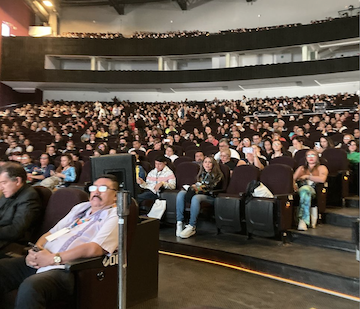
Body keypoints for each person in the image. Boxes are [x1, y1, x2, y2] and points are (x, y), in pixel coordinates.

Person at [0, 175, 119, 308]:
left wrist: (53, 259)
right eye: (93, 188)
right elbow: (50, 234)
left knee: (31, 286)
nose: (96, 192)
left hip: (67, 269)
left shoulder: (115, 214)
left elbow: (94, 248)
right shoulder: (80, 208)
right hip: (45, 259)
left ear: (115, 195)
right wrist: (36, 252)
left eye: (103, 188)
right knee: (3, 268)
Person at [176, 156, 223, 239]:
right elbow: (199, 185)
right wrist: (193, 187)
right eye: (205, 162)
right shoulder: (201, 174)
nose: (207, 164)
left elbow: (210, 188)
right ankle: (180, 222)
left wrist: (196, 188)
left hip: (211, 196)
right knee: (181, 194)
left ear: (213, 164)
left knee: (196, 198)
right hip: (199, 193)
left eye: (209, 162)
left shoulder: (218, 175)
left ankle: (192, 226)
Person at [0, 162, 42, 254]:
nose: (1, 188)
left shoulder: (29, 196)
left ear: (17, 181)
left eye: (4, 183)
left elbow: (16, 231)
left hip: (12, 243)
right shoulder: (9, 192)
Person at [293, 150, 328, 231]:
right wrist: (294, 186)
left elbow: (322, 179)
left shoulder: (321, 167)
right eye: (308, 155)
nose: (311, 157)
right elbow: (293, 179)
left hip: (314, 190)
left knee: (306, 190)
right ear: (306, 158)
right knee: (304, 190)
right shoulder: (301, 168)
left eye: (313, 155)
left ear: (317, 157)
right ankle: (302, 220)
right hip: (300, 189)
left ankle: (303, 220)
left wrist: (307, 176)